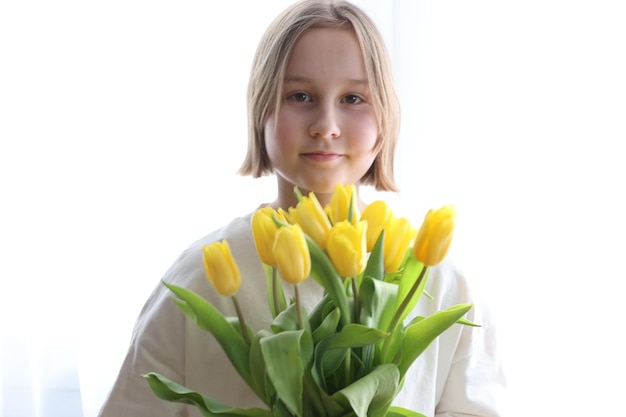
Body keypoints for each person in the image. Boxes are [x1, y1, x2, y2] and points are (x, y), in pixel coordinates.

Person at [97, 1, 506, 416]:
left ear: (384, 121)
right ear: (261, 112)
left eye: (352, 98)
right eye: (300, 96)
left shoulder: (441, 283)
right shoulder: (202, 275)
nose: (326, 125)